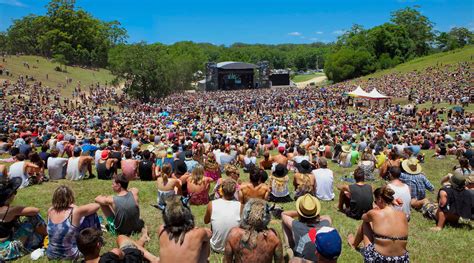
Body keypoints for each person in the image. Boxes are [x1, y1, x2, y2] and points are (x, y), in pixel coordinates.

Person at [348, 186, 409, 262]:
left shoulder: (374, 213)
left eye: (375, 201)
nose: (375, 203)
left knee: (366, 222)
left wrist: (374, 209)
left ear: (379, 199)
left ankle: (354, 244)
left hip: (380, 259)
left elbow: (363, 217)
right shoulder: (403, 215)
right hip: (401, 259)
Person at [46, 185, 101, 260]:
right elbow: (96, 206)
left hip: (51, 254)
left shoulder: (50, 210)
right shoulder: (75, 212)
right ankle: (95, 240)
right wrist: (75, 206)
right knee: (91, 215)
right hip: (70, 255)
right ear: (70, 197)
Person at [281, 194, 339, 262]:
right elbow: (327, 217)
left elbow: (284, 214)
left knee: (284, 223)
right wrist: (313, 214)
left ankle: (288, 247)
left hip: (300, 260)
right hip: (322, 259)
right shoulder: (325, 224)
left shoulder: (296, 225)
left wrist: (302, 212)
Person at [0, 177, 46, 261]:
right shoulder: (12, 210)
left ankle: (43, 237)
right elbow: (35, 210)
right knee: (34, 218)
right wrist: (19, 212)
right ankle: (48, 236)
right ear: (9, 197)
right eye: (14, 192)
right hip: (6, 250)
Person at [224, 198, 283, 263]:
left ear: (245, 215)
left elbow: (227, 261)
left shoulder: (234, 234)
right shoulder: (274, 236)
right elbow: (279, 261)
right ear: (266, 217)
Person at [157, 195, 211, 263]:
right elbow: (210, 234)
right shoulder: (199, 233)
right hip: (195, 232)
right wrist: (200, 230)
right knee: (205, 238)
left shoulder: (161, 230)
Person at [77, 227, 159, 263]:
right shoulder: (113, 254)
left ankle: (143, 238)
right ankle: (153, 259)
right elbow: (122, 254)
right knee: (121, 238)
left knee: (130, 245)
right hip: (134, 258)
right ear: (98, 245)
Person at [204, 178, 241, 253]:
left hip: (216, 247)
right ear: (234, 191)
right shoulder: (240, 206)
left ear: (221, 190)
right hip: (234, 247)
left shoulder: (212, 204)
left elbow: (206, 221)